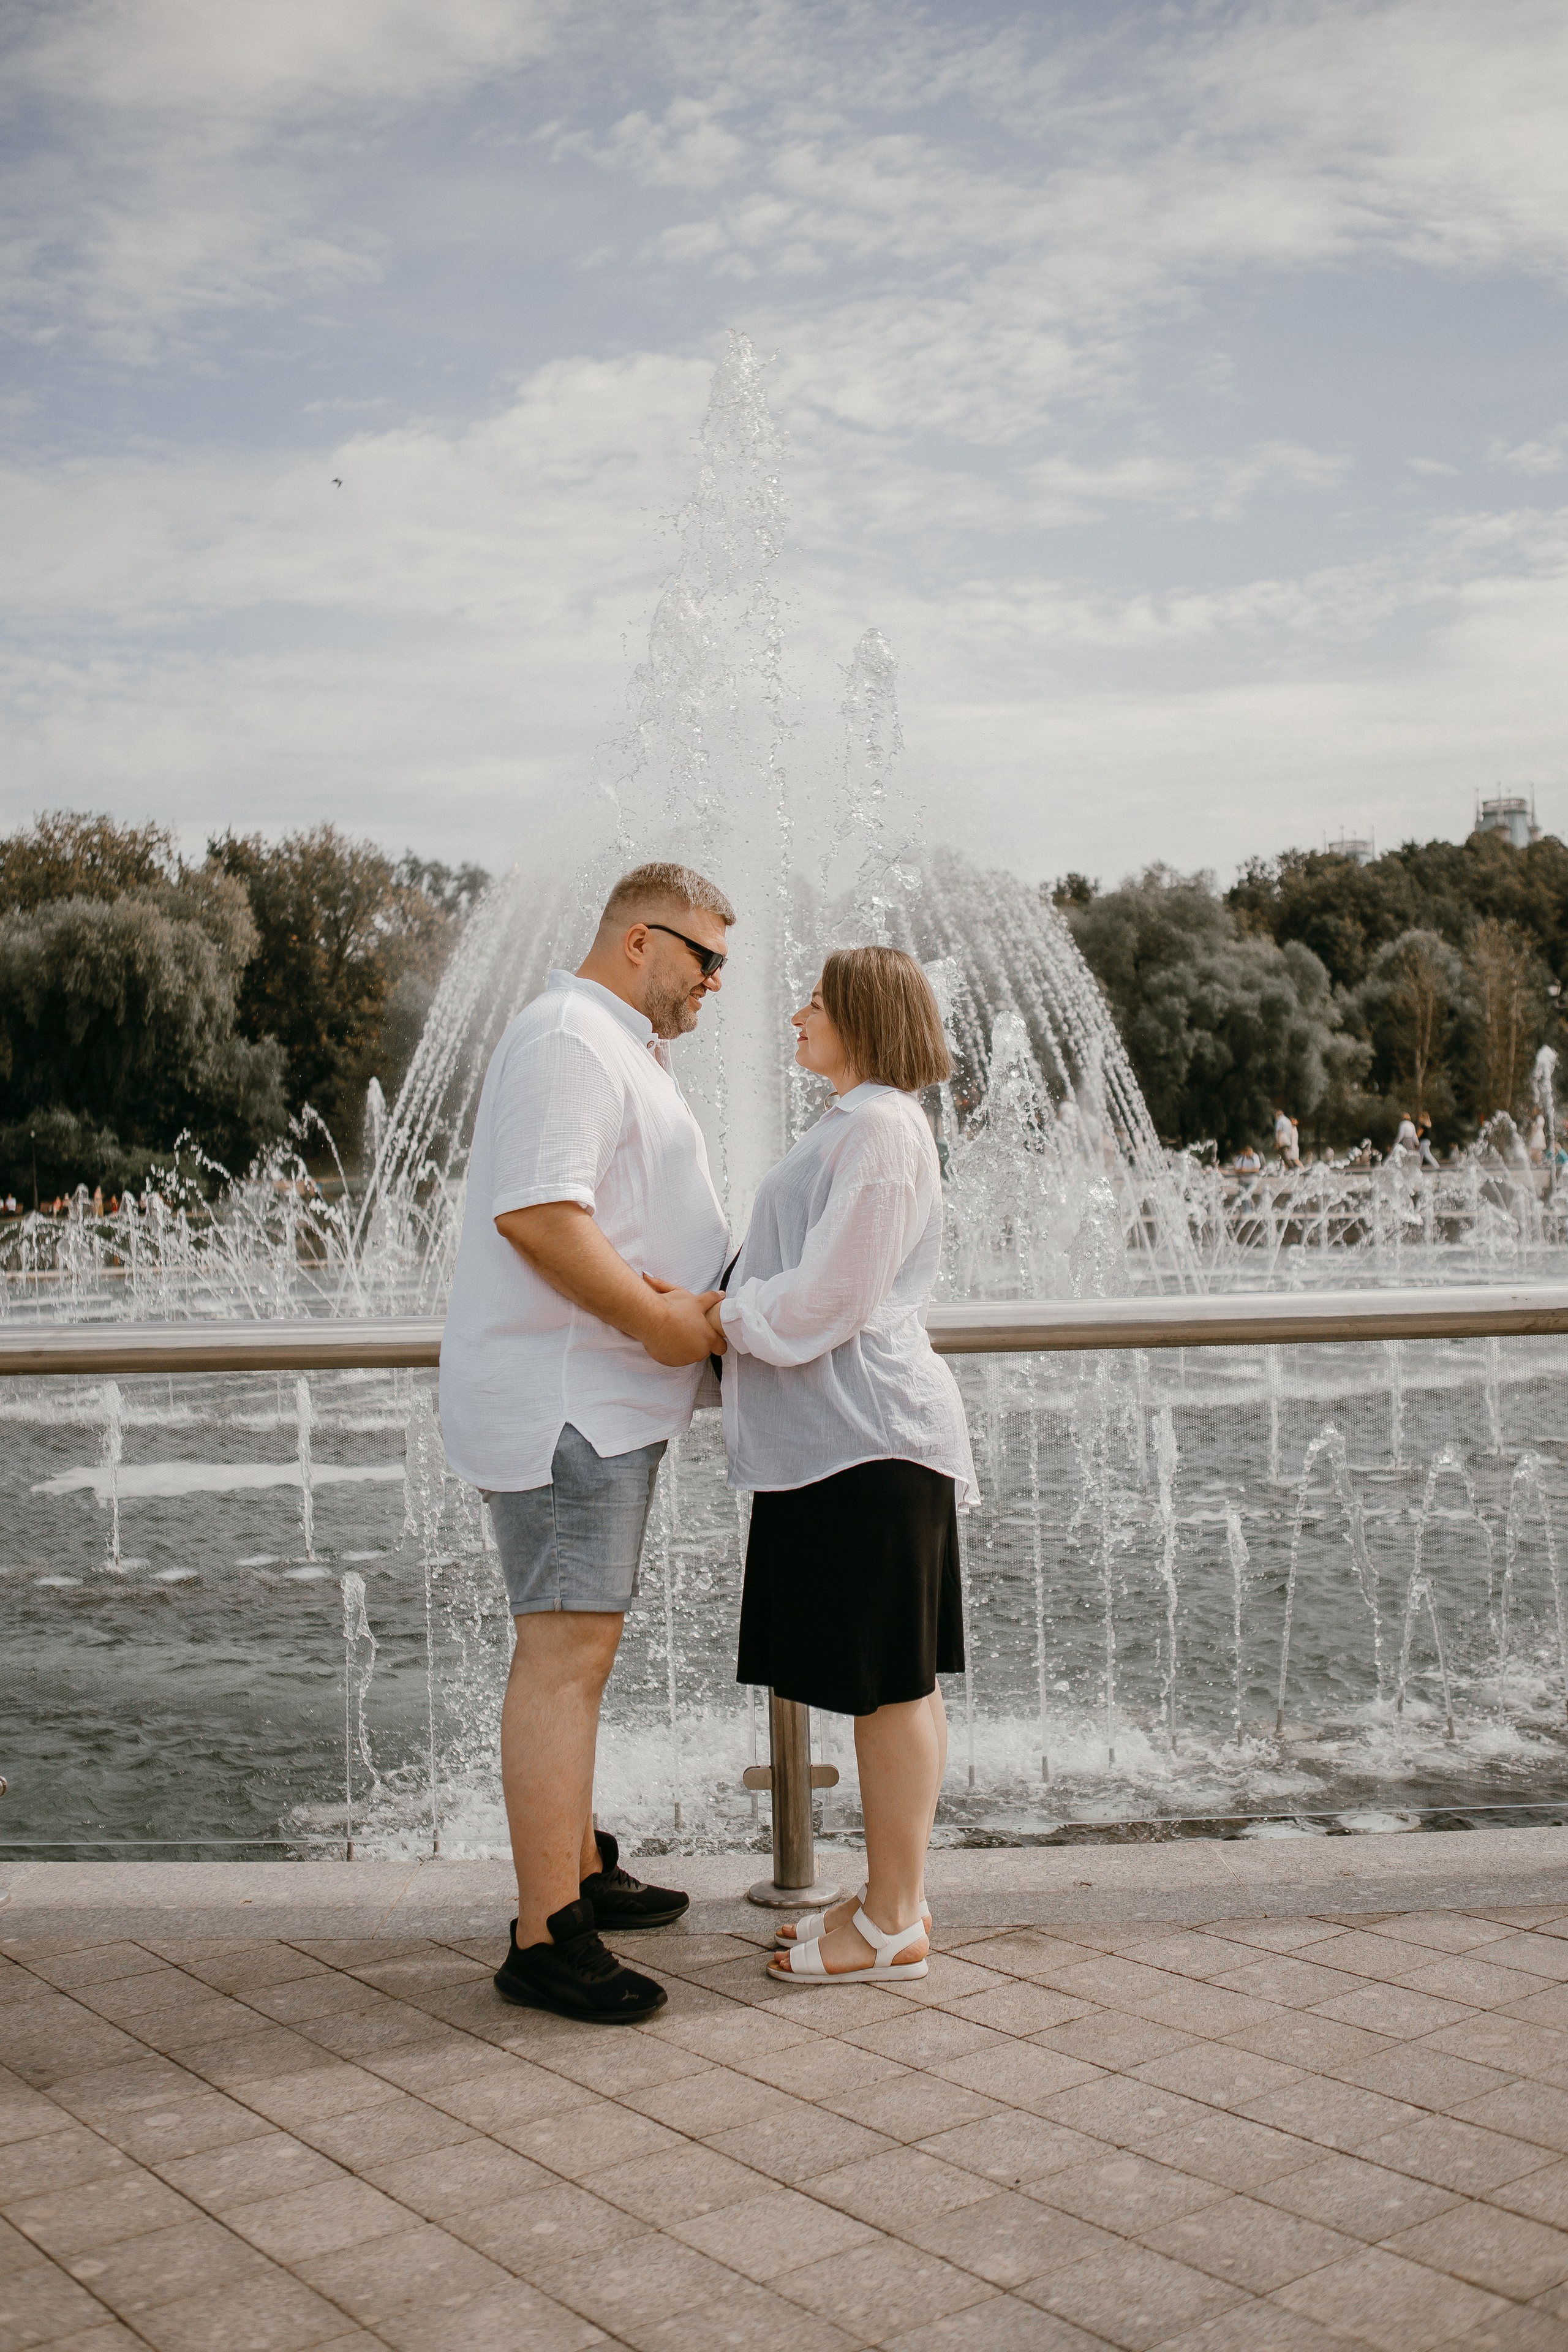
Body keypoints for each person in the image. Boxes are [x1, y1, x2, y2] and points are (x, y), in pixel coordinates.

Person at [439, 861, 735, 2024]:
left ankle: (579, 1869)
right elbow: (540, 1214)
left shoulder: (610, 1042)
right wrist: (663, 1320)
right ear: (637, 942)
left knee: (580, 1656)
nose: (716, 983)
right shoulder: (571, 1036)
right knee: (564, 1657)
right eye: (705, 958)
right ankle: (544, 1936)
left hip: (596, 1406)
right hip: (571, 1406)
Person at [709, 947, 978, 1986]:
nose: (796, 1012)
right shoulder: (859, 1123)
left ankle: (894, 1922)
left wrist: (721, 1317)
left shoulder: (878, 1129)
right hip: (846, 1440)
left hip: (867, 1437)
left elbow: (833, 1300)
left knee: (890, 1689)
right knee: (889, 1685)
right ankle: (888, 1901)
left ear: (862, 1014)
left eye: (817, 1000)